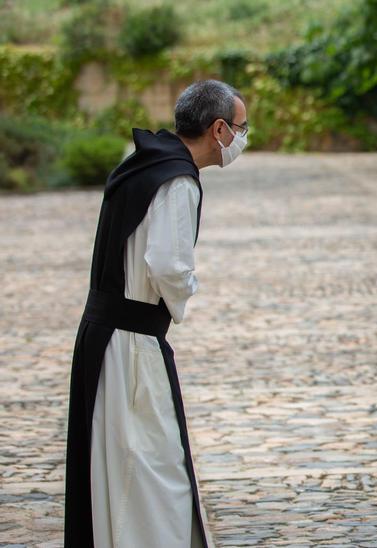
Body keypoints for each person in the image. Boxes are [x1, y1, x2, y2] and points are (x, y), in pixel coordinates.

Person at [64, 79, 247, 547]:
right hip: (130, 344)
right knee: (150, 469)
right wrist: (190, 288)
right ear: (219, 129)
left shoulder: (143, 160)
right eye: (242, 128)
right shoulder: (177, 179)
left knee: (122, 465)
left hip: (106, 334)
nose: (243, 139)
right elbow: (168, 266)